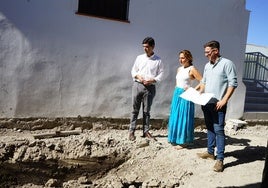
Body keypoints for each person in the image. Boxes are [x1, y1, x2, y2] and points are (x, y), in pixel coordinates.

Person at [196, 40, 238, 172]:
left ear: (216, 51)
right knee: (209, 128)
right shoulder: (207, 66)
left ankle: (220, 159)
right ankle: (210, 152)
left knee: (219, 130)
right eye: (205, 52)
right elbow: (204, 82)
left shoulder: (227, 64)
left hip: (218, 104)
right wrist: (197, 92)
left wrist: (224, 100)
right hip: (206, 102)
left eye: (208, 52)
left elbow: (233, 83)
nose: (205, 55)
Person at [129, 37, 164, 141]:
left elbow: (161, 74)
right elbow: (133, 71)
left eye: (147, 47)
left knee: (146, 111)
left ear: (153, 47)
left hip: (150, 87)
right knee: (134, 110)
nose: (145, 49)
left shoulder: (158, 60)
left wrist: (152, 80)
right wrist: (138, 77)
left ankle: (146, 131)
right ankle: (131, 131)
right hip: (137, 85)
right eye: (143, 47)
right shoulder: (139, 58)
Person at [168, 50, 202, 149]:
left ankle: (183, 142)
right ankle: (175, 138)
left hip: (186, 94)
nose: (180, 60)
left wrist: (193, 90)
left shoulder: (192, 69)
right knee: (176, 116)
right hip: (177, 94)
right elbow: (178, 82)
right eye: (180, 58)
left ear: (189, 58)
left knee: (184, 117)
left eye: (183, 58)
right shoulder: (179, 69)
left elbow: (203, 81)